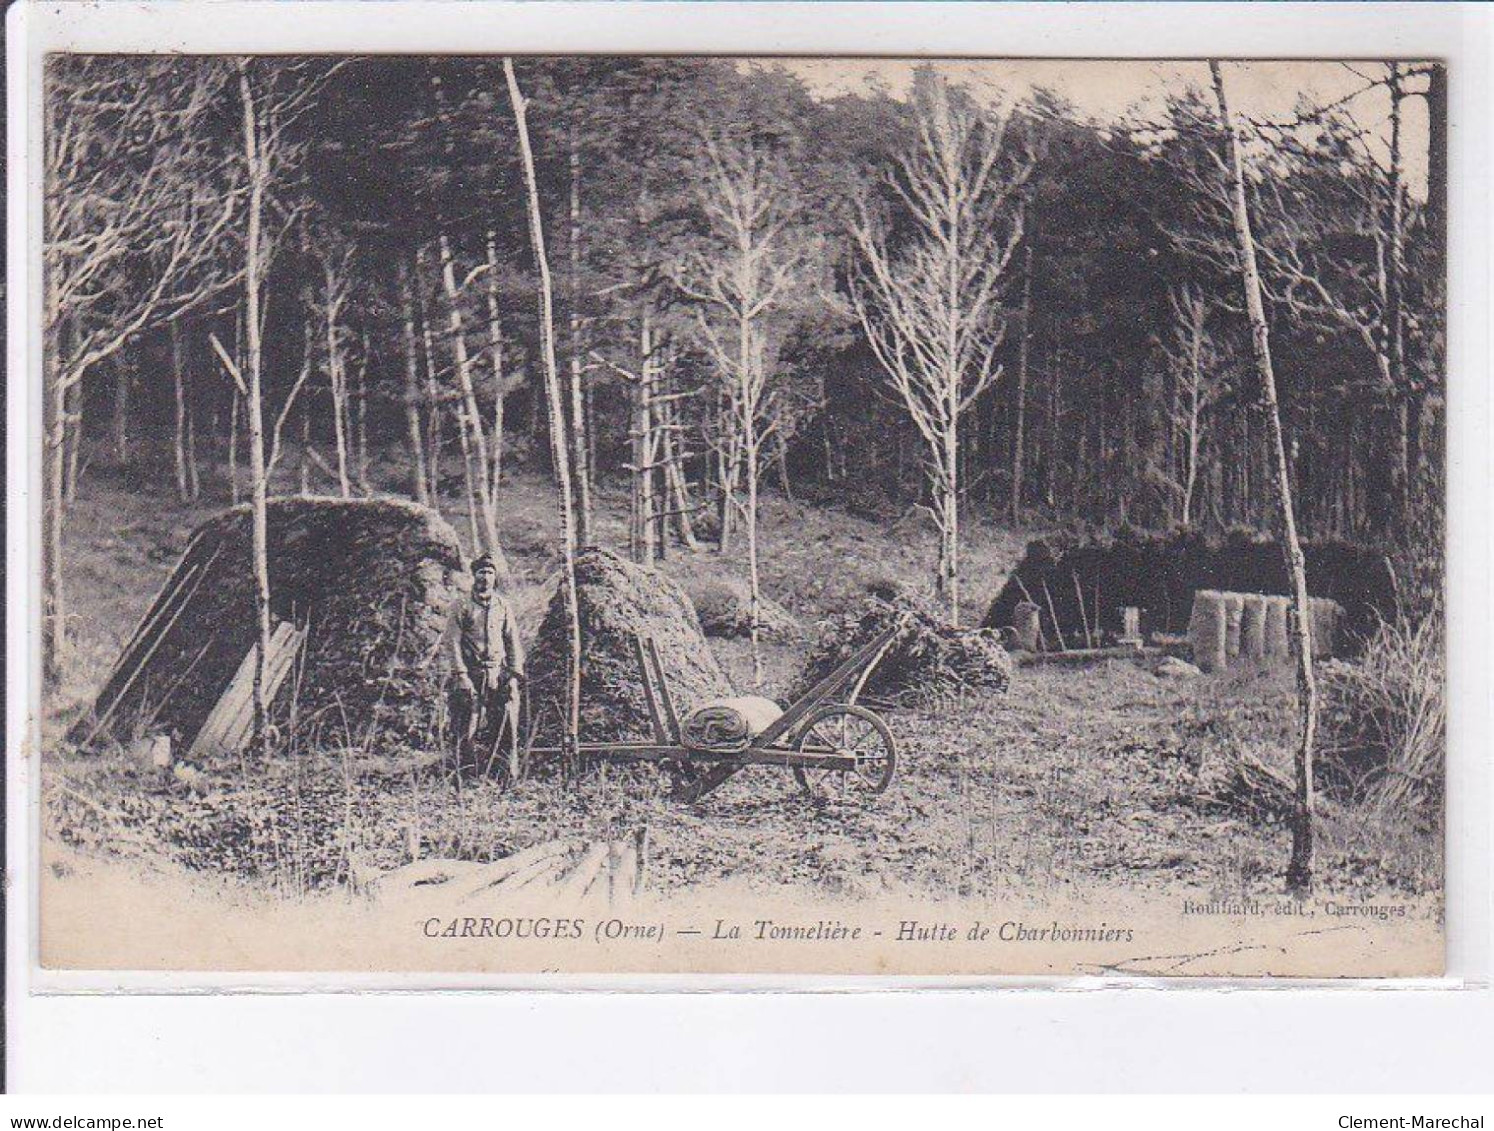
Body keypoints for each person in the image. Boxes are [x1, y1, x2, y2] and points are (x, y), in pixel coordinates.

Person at [449, 552, 526, 777]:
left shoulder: (503, 606)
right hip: (471, 672)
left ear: (495, 577)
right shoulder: (461, 606)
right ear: (474, 575)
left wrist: (514, 674)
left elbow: (512, 640)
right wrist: (460, 674)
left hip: (498, 672)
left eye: (490, 572)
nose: (486, 577)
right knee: (467, 726)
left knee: (506, 723)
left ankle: (505, 775)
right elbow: (451, 642)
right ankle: (465, 776)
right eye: (481, 572)